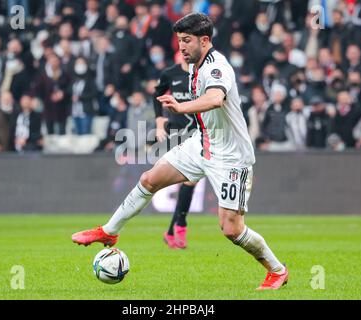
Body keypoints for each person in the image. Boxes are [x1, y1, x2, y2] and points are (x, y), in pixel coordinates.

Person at [72, 13, 288, 290]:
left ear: (205, 40)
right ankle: (109, 232)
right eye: (179, 41)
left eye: (187, 41)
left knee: (232, 229)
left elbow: (215, 99)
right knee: (149, 179)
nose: (181, 47)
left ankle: (277, 271)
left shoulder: (217, 66)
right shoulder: (194, 67)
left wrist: (180, 107)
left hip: (231, 157)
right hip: (203, 143)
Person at [153, 53, 197, 249]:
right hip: (176, 134)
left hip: (197, 134)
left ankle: (173, 231)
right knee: (189, 180)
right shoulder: (170, 73)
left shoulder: (201, 75)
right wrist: (159, 122)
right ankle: (180, 226)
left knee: (190, 181)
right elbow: (157, 94)